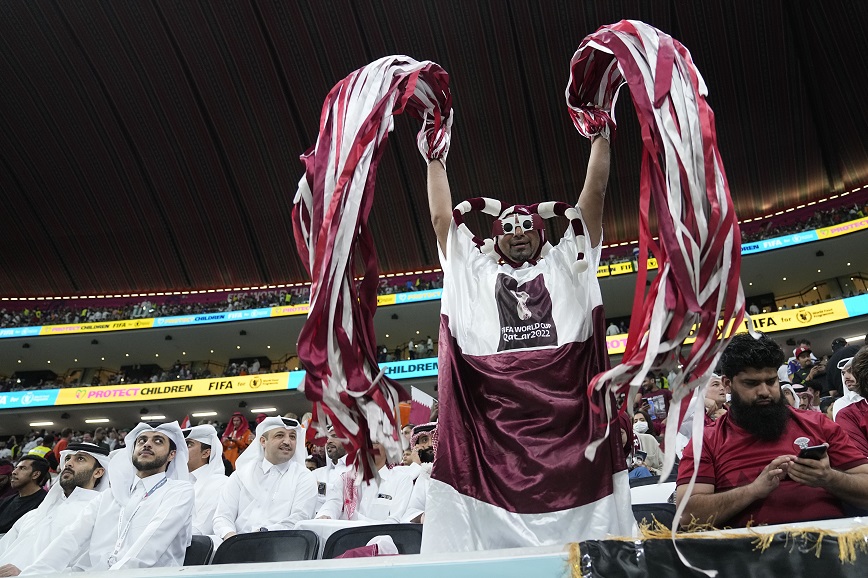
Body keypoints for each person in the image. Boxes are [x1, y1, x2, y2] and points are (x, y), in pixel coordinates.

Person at [422, 129, 633, 551]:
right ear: (494, 236)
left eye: (527, 227)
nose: (517, 233)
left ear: (543, 231)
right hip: (491, 442)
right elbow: (443, 219)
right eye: (508, 228)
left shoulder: (569, 261)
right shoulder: (473, 271)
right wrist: (434, 157)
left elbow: (593, 198)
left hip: (571, 435)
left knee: (586, 555)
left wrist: (601, 137)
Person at [675, 334, 868, 528]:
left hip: (832, 540)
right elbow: (686, 516)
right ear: (728, 384)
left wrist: (829, 478)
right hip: (745, 545)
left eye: (771, 381)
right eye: (751, 383)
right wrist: (753, 490)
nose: (764, 392)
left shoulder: (818, 424)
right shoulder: (706, 440)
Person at [17, 423, 194, 573]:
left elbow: (150, 546)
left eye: (158, 441)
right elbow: (71, 538)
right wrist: (34, 573)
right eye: (141, 440)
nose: (147, 444)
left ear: (172, 454)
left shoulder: (179, 491)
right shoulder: (109, 496)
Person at [0, 443, 110, 572]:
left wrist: (25, 574)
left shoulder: (100, 514)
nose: (68, 463)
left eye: (80, 459)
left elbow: (90, 567)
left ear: (98, 472)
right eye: (67, 458)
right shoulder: (34, 514)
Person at [213, 417, 317, 541]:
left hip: (281, 546)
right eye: (280, 435)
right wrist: (230, 537)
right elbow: (222, 516)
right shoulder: (241, 474)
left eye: (292, 437)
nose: (287, 442)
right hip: (235, 544)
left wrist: (260, 535)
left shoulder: (304, 477)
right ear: (263, 441)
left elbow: (300, 519)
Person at [317, 439, 413, 523]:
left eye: (374, 442)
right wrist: (326, 515)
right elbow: (333, 503)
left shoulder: (401, 480)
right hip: (347, 536)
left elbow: (394, 522)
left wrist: (357, 519)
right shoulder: (346, 479)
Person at [183, 425, 228, 536]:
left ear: (206, 453)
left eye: (188, 444)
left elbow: (200, 529)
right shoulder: (176, 480)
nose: (182, 449)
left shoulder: (220, 483)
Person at [0, 457, 49, 533]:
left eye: (22, 468)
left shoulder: (45, 503)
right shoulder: (5, 501)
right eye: (15, 468)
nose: (14, 472)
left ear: (35, 475)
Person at [837, 349, 868, 456]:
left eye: (850, 371)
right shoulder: (848, 414)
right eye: (843, 373)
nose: (846, 377)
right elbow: (862, 460)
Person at [312, 426, 350, 513]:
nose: (328, 441)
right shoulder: (316, 473)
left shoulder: (357, 471)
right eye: (328, 438)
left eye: (335, 436)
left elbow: (349, 497)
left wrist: (321, 487)